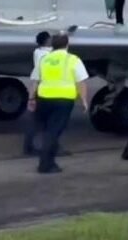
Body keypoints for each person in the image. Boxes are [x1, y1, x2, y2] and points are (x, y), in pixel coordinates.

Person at [27, 32, 90, 174]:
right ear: (67, 45)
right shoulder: (73, 60)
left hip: (44, 99)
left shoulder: (44, 59)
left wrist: (31, 98)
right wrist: (84, 100)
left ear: (53, 44)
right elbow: (81, 82)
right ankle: (46, 164)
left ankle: (47, 161)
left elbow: (35, 81)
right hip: (63, 101)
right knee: (53, 132)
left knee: (45, 130)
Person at [23, 31, 69, 157]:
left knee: (38, 122)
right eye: (50, 39)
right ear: (46, 41)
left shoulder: (38, 52)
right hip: (49, 92)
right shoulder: (47, 55)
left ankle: (30, 147)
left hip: (40, 90)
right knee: (52, 122)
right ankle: (51, 148)